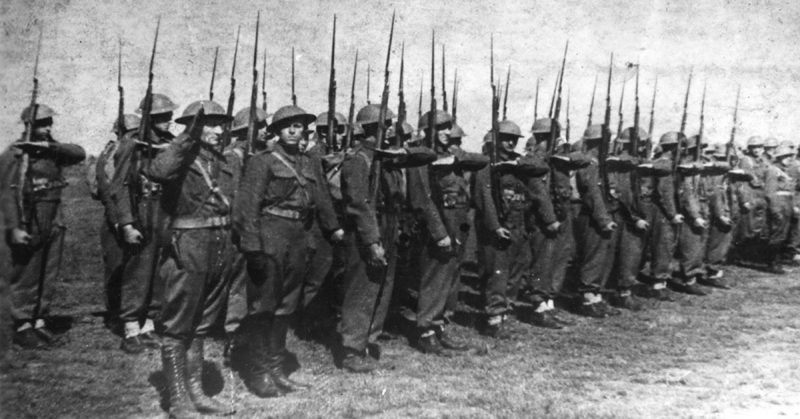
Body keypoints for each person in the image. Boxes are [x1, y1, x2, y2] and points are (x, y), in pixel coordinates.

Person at [234, 105, 343, 396]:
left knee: (286, 306)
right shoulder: (263, 161)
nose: (294, 132)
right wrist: (253, 248)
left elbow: (321, 199)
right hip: (271, 236)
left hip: (299, 238)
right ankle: (258, 372)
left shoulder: (309, 162)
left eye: (299, 127)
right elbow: (247, 208)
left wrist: (333, 229)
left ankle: (276, 368)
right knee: (263, 306)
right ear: (276, 132)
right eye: (288, 127)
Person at [146, 100, 239, 417]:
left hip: (219, 244)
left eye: (219, 125)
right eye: (209, 125)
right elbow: (157, 172)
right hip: (190, 245)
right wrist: (187, 137)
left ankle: (196, 392)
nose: (217, 131)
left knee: (201, 324)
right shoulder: (178, 156)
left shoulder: (220, 160)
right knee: (178, 325)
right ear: (193, 127)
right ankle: (177, 399)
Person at [338, 104, 436, 371]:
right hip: (368, 227)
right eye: (387, 124)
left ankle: (368, 341)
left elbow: (428, 154)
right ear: (374, 127)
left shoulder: (387, 156)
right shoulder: (359, 159)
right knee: (364, 288)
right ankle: (351, 349)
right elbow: (358, 203)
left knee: (383, 288)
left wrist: (402, 151)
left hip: (389, 225)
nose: (392, 128)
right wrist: (372, 241)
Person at [0, 104, 85, 348]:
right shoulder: (14, 154)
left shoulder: (51, 151)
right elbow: (6, 195)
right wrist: (14, 228)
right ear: (29, 125)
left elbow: (78, 153)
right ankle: (22, 323)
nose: (47, 128)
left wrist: (48, 147)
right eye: (42, 124)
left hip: (54, 214)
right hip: (29, 215)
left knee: (48, 271)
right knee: (27, 271)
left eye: (49, 123)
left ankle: (39, 320)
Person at [406, 109, 487, 353]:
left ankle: (439, 326)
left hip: (456, 225)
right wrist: (439, 233)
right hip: (436, 227)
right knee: (435, 278)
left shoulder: (450, 154)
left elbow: (482, 161)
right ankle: (426, 331)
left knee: (448, 279)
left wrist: (454, 159)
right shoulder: (420, 157)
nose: (445, 133)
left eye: (447, 128)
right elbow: (422, 200)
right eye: (439, 129)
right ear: (428, 132)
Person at [108, 93, 177, 353]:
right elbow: (119, 186)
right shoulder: (132, 144)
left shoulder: (171, 144)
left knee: (162, 272)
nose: (168, 121)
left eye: (169, 116)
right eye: (162, 117)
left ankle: (149, 324)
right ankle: (130, 328)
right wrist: (126, 223)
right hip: (143, 212)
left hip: (167, 214)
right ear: (149, 118)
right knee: (138, 272)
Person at [473, 120, 549, 337]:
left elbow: (541, 168)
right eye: (505, 138)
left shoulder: (519, 163)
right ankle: (494, 317)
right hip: (497, 225)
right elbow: (484, 197)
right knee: (497, 272)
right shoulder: (486, 164)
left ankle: (505, 310)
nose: (510, 143)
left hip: (518, 222)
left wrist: (517, 165)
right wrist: (495, 226)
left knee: (517, 270)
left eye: (513, 139)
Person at [522, 118, 586, 327]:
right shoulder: (535, 161)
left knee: (558, 259)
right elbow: (539, 193)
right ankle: (538, 306)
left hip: (561, 216)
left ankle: (548, 303)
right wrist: (550, 219)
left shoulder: (557, 159)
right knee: (542, 262)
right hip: (543, 219)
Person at [90, 114, 140, 332]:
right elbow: (108, 190)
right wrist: (119, 222)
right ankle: (115, 314)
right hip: (116, 221)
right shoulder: (111, 154)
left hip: (132, 217)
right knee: (117, 267)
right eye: (133, 133)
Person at [570, 124, 619, 317]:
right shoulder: (589, 163)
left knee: (603, 258)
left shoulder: (600, 163)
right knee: (593, 258)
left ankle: (596, 296)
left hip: (602, 215)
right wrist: (603, 219)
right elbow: (592, 194)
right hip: (592, 216)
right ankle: (587, 299)